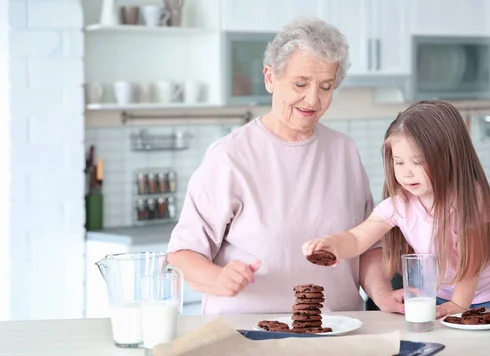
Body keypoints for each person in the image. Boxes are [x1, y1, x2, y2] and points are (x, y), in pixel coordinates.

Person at [167, 15, 402, 315]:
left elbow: (367, 245)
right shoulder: (229, 157)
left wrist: (382, 294)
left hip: (336, 331)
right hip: (247, 335)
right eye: (300, 83)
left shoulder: (344, 151)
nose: (312, 99)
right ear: (270, 78)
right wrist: (217, 278)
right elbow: (181, 255)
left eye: (326, 86)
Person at [303, 100, 490, 318]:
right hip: (442, 296)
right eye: (399, 162)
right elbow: (358, 237)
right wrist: (334, 244)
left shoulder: (469, 200)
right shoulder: (400, 204)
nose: (406, 172)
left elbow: (471, 262)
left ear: (448, 158)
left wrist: (459, 304)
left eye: (417, 162)